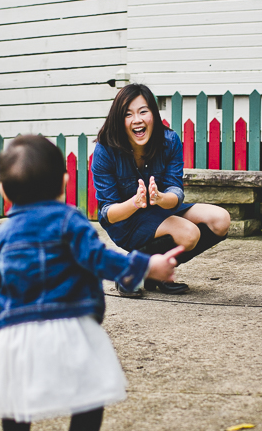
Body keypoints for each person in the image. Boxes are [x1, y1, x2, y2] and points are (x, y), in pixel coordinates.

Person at [0, 134, 183, 431]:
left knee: (15, 401)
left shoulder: (0, 238)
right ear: (65, 183)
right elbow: (101, 259)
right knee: (89, 398)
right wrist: (148, 266)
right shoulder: (70, 221)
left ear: (4, 191)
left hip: (16, 334)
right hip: (70, 325)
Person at [91, 83, 231, 296]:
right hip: (126, 221)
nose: (137, 120)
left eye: (143, 111)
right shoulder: (105, 150)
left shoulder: (169, 141)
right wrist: (135, 202)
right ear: (119, 120)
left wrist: (160, 198)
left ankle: (153, 273)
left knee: (221, 220)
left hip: (161, 209)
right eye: (128, 114)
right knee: (188, 233)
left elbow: (176, 190)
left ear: (153, 115)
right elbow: (108, 213)